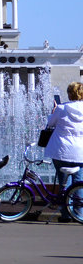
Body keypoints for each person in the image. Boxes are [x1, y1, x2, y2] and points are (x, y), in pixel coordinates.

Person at [44, 81, 83, 221]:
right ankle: (79, 213)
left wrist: (53, 112)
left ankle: (66, 214)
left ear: (69, 94)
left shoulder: (61, 108)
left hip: (61, 150)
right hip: (80, 152)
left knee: (63, 183)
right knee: (79, 182)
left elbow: (49, 124)